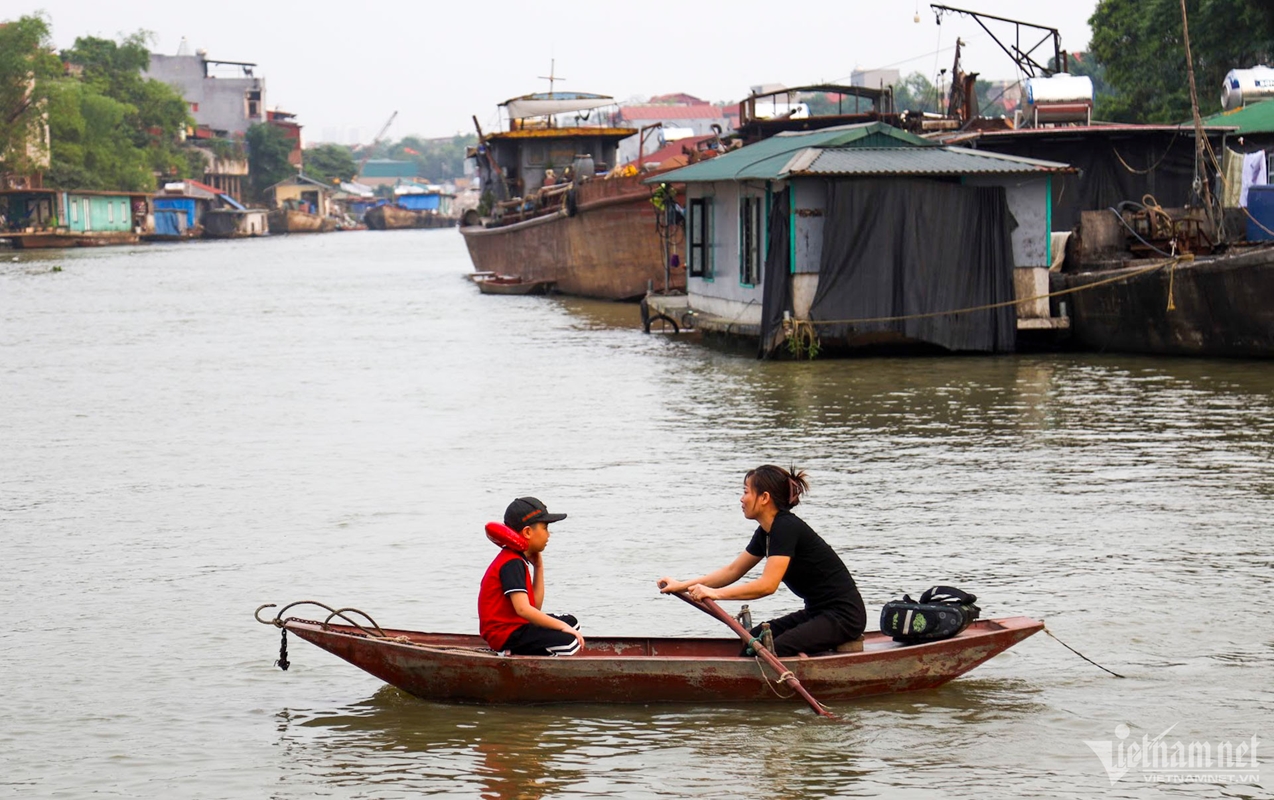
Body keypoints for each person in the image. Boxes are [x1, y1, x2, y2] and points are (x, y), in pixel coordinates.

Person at [658, 465, 866, 657]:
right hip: (817, 612)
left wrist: (715, 594)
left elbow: (767, 586)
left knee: (773, 648)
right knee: (754, 638)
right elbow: (732, 571)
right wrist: (682, 586)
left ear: (764, 497)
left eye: (746, 492)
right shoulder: (766, 532)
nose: (742, 499)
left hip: (844, 617)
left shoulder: (786, 528)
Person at [479, 496, 584, 656]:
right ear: (528, 532)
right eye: (545, 528)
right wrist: (561, 628)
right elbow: (523, 609)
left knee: (572, 623)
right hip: (506, 635)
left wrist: (538, 567)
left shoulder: (518, 558)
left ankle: (533, 650)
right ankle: (513, 652)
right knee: (569, 643)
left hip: (518, 625)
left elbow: (534, 607)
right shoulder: (511, 563)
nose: (549, 535)